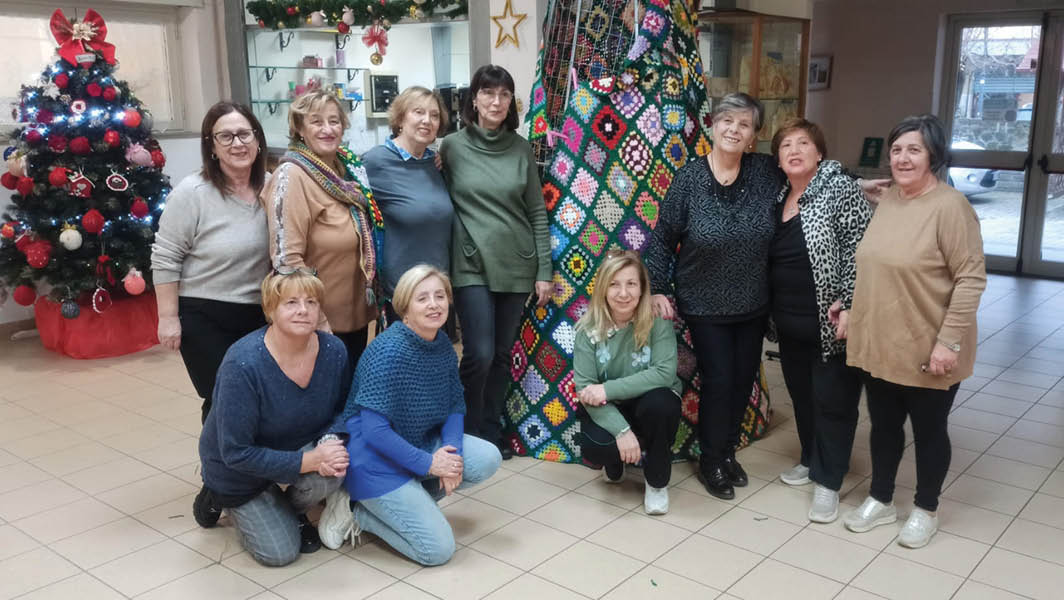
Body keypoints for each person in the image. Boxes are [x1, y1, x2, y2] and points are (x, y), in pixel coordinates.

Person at [844, 114, 986, 548]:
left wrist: (949, 342)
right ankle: (882, 498)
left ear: (934, 156)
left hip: (929, 344)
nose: (903, 158)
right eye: (898, 149)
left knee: (928, 432)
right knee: (883, 427)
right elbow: (878, 266)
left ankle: (926, 508)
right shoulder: (889, 199)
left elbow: (970, 278)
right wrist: (851, 311)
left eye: (915, 149)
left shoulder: (950, 207)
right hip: (882, 340)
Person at [645, 92, 785, 500]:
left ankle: (726, 453)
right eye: (727, 121)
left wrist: (860, 184)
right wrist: (658, 288)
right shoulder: (689, 178)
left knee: (743, 382)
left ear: (753, 136)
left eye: (743, 125)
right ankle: (710, 460)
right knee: (720, 379)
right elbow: (661, 238)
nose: (733, 130)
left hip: (753, 300)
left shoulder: (765, 172)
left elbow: (807, 175)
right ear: (712, 125)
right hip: (704, 302)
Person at [320, 265, 502, 565]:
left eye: (440, 296)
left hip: (416, 439)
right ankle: (355, 510)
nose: (434, 304)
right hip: (373, 458)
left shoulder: (440, 343)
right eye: (423, 298)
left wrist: (451, 457)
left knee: (487, 457)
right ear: (405, 308)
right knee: (437, 550)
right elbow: (375, 432)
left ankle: (409, 498)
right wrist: (432, 463)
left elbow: (455, 405)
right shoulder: (387, 352)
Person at [194, 270, 351, 567]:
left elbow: (345, 408)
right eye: (291, 302)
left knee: (336, 470)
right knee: (280, 554)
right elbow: (235, 452)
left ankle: (287, 509)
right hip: (238, 468)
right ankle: (217, 494)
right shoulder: (243, 364)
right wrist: (311, 461)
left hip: (296, 445)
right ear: (270, 309)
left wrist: (330, 442)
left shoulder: (334, 351)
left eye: (312, 301)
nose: (303, 310)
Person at [441, 65, 552, 458]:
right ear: (474, 98)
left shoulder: (521, 148)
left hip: (517, 263)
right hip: (469, 263)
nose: (495, 101)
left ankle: (491, 429)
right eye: (488, 93)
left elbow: (537, 212)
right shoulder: (451, 147)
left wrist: (544, 270)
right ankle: (464, 430)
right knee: (479, 353)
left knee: (503, 356)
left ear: (511, 102)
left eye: (504, 94)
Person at [767, 118, 871, 523]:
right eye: (786, 145)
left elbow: (857, 250)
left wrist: (848, 302)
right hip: (790, 323)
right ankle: (811, 458)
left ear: (820, 152)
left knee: (834, 402)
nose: (794, 150)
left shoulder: (839, 188)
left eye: (803, 143)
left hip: (831, 323)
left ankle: (828, 483)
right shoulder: (779, 196)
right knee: (804, 397)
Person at [151, 101, 270, 423]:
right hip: (205, 312)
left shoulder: (272, 187)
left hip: (260, 311)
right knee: (224, 396)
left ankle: (252, 466)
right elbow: (165, 255)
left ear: (258, 140)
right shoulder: (193, 192)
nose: (238, 144)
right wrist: (168, 317)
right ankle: (221, 470)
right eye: (226, 137)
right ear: (212, 146)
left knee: (260, 394)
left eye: (245, 134)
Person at [262, 90, 381, 378]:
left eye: (334, 121)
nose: (327, 129)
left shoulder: (347, 170)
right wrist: (316, 319)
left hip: (354, 318)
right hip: (319, 322)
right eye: (316, 122)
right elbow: (287, 259)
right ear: (299, 129)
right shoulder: (292, 176)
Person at [573, 251, 682, 515]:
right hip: (609, 407)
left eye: (631, 284)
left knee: (662, 404)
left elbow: (665, 374)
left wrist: (606, 389)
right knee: (596, 446)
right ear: (603, 289)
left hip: (649, 403)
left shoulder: (657, 321)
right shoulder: (587, 330)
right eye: (614, 284)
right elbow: (585, 388)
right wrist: (621, 431)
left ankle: (656, 481)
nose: (623, 293)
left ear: (643, 288)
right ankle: (616, 461)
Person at [362, 86, 454, 326]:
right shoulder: (376, 161)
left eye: (434, 115)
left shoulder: (434, 163)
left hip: (437, 288)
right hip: (402, 292)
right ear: (401, 118)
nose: (427, 120)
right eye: (418, 112)